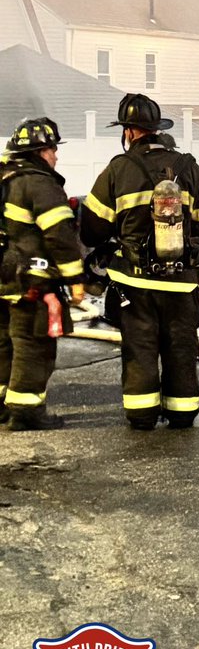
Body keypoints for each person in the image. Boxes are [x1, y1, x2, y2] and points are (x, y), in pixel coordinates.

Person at [81, 94, 199, 431]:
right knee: (180, 347)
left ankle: (142, 415)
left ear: (128, 131)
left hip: (135, 285)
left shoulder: (118, 169)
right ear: (157, 130)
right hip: (181, 283)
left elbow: (92, 228)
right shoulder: (188, 166)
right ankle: (182, 412)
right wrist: (198, 262)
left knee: (140, 349)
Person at [0, 117, 85, 430]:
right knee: (33, 344)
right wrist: (76, 279)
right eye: (52, 149)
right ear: (39, 151)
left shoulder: (4, 177)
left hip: (4, 278)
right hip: (29, 280)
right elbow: (59, 234)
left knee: (3, 343)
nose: (56, 156)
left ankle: (3, 404)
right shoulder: (38, 182)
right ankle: (26, 411)